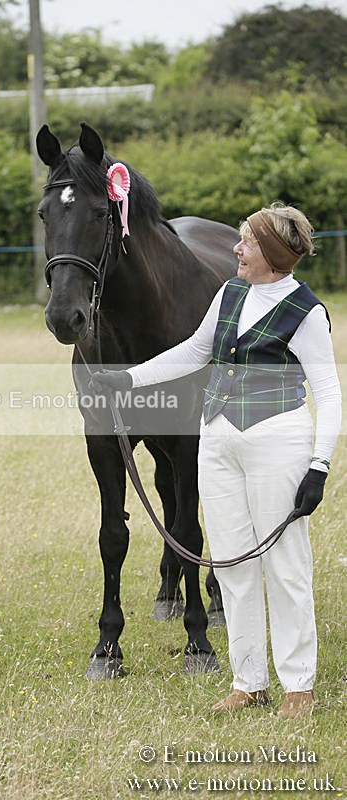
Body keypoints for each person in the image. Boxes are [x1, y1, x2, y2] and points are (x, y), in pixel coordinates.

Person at [90, 202, 342, 718]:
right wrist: (128, 378)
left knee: (286, 567)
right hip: (218, 442)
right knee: (232, 564)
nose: (236, 248)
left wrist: (319, 466)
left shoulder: (306, 311)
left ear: (269, 254)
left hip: (279, 442)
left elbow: (329, 394)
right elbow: (192, 352)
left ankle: (298, 686)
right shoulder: (230, 293)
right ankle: (249, 681)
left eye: (246, 242)